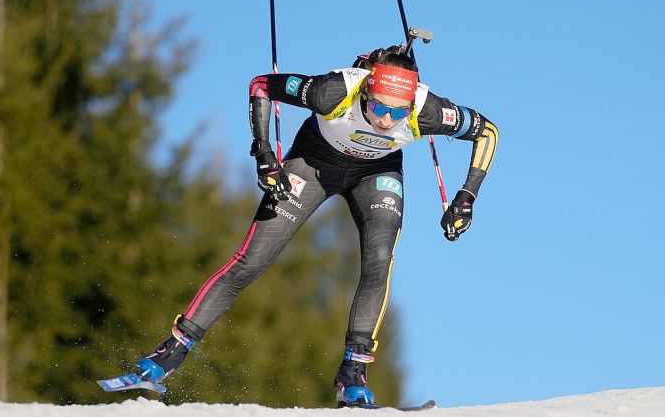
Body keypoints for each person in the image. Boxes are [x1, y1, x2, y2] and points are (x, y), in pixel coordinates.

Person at [127, 46, 498, 405]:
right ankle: (169, 353)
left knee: (379, 259)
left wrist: (466, 197)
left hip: (376, 172)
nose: (386, 119)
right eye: (377, 106)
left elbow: (488, 132)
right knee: (252, 260)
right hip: (314, 162)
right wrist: (263, 152)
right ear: (366, 90)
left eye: (397, 113)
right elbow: (261, 84)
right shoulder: (332, 91)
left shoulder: (429, 111)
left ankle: (353, 373)